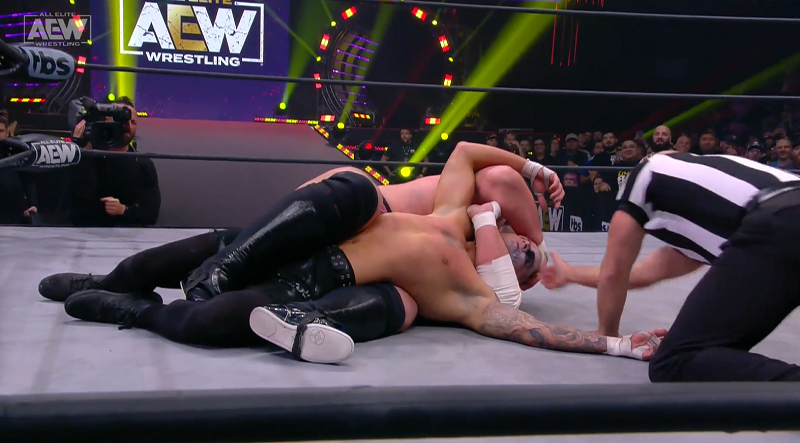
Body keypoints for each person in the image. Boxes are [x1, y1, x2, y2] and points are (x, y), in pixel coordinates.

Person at [55, 142, 660, 364]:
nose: (526, 244)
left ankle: (131, 309)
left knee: (214, 321)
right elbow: (468, 156)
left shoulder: (470, 296)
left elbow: (528, 329)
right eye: (527, 242)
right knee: (354, 190)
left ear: (503, 273)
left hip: (318, 277)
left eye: (524, 256)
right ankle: (119, 278)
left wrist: (614, 346)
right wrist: (533, 169)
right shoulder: (451, 213)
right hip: (311, 228)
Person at [540, 150, 800, 381]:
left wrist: (607, 334)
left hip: (780, 220)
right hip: (785, 220)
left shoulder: (647, 174)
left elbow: (615, 271)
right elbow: (643, 273)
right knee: (711, 352)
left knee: (675, 360)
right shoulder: (707, 205)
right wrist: (571, 274)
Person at [67, 96, 161, 227]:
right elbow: (72, 208)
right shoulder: (89, 158)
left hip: (128, 234)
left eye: (133, 122)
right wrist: (80, 148)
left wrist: (124, 211)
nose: (128, 126)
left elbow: (151, 214)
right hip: (86, 232)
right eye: (122, 120)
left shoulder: (143, 164)